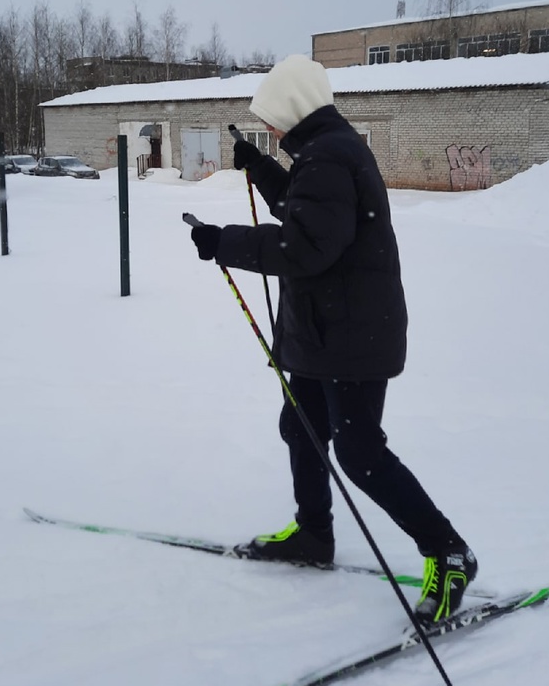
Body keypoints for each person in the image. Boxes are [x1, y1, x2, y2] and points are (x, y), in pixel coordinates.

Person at [189, 54, 477, 624]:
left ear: (294, 110)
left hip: (351, 336)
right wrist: (263, 170)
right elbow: (312, 216)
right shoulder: (327, 152)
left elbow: (305, 248)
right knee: (302, 426)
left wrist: (225, 243)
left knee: (359, 453)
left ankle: (449, 554)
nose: (270, 130)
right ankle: (313, 535)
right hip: (330, 331)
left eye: (273, 119)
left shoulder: (327, 157)